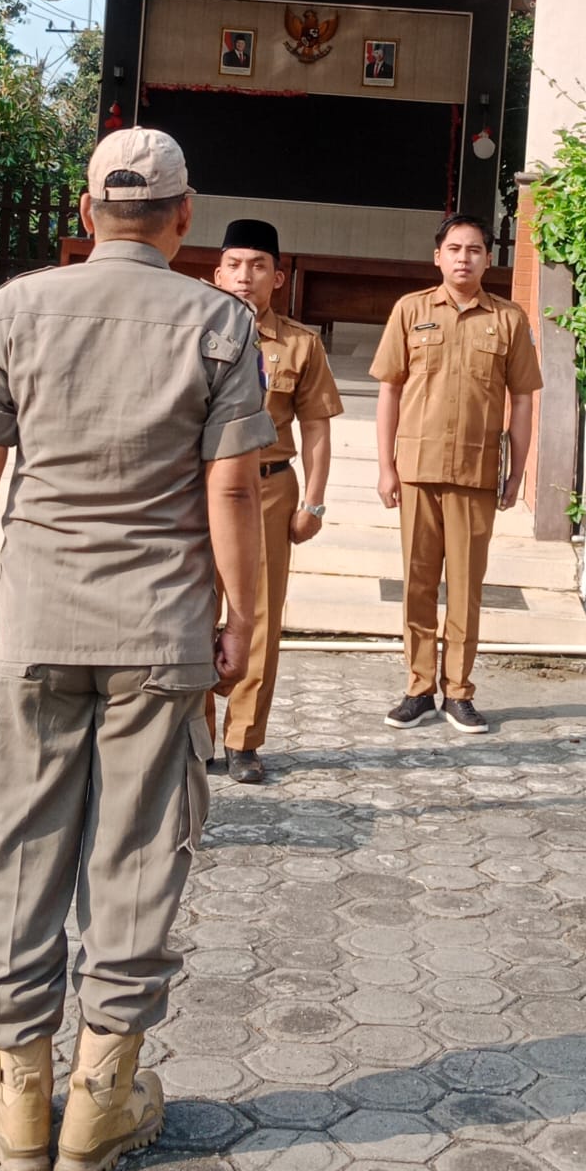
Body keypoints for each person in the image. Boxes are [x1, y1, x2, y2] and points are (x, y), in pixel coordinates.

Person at [0, 127, 275, 1171]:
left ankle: (16, 1093)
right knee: (136, 853)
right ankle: (100, 1099)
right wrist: (244, 614)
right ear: (184, 218)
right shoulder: (219, 322)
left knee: (22, 842)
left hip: (38, 619)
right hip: (159, 629)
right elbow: (232, 487)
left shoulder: (17, 308)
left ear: (87, 212)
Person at [370, 213, 543, 734]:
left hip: (475, 471)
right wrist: (385, 466)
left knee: (466, 588)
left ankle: (459, 692)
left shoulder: (508, 319)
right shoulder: (411, 310)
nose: (463, 258)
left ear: (488, 259)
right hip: (417, 469)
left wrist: (516, 473)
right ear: (437, 257)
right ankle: (418, 688)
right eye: (454, 248)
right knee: (418, 584)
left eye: (474, 250)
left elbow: (522, 399)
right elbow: (390, 389)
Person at [208, 218, 343, 782]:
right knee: (192, 607)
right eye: (235, 265)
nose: (245, 276)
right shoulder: (189, 331)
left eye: (258, 266)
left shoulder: (299, 344)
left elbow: (316, 427)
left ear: (278, 277)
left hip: (266, 487)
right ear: (217, 273)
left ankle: (243, 740)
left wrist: (313, 502)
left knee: (258, 614)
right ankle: (194, 735)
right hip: (200, 486)